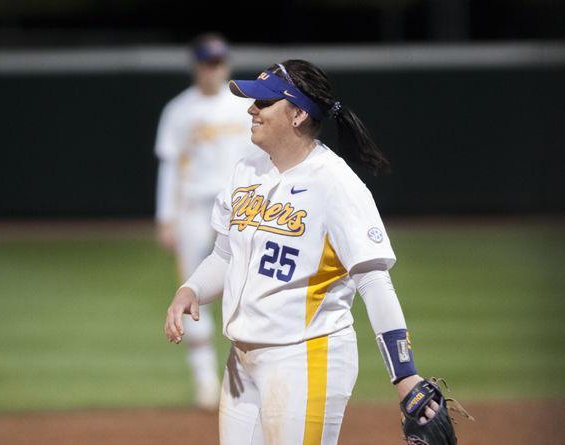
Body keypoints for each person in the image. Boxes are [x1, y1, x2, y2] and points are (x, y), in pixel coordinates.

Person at [164, 60, 442, 444]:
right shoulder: (246, 170)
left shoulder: (335, 184)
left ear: (297, 113)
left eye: (263, 103)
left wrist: (405, 374)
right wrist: (191, 289)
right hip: (241, 363)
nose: (251, 109)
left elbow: (374, 281)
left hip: (305, 359)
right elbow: (225, 256)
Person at [154, 33, 257, 409]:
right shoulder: (179, 110)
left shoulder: (245, 106)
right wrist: (166, 218)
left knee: (244, 287)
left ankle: (246, 376)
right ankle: (204, 380)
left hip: (241, 208)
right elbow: (169, 167)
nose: (212, 70)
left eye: (218, 63)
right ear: (197, 66)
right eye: (206, 63)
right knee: (193, 290)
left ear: (225, 64)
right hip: (194, 210)